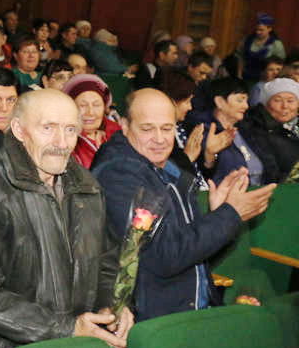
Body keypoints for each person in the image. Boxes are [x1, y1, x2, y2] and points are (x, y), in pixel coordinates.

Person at [0, 89, 131, 348]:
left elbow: (107, 262)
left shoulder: (87, 187)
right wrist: (66, 329)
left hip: (85, 339)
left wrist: (111, 308)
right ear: (19, 130)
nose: (62, 142)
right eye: (48, 128)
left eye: (70, 130)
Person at [92, 89, 276, 321]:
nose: (159, 139)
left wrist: (219, 214)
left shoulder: (168, 168)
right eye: (147, 129)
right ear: (125, 126)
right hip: (156, 320)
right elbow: (165, 257)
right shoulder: (119, 175)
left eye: (167, 128)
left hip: (192, 307)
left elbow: (193, 254)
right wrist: (229, 215)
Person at [190, 77, 279, 186]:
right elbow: (203, 174)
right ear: (220, 102)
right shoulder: (203, 132)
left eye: (246, 100)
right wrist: (210, 156)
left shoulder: (248, 128)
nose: (246, 106)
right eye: (240, 100)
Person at [240, 78, 299, 183]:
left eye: (290, 101)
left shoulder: (294, 127)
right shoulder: (256, 128)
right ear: (266, 104)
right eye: (277, 100)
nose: (285, 106)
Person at [62, 74, 120, 169]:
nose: (90, 112)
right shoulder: (64, 141)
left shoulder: (117, 133)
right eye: (83, 105)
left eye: (96, 105)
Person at [237, 13, 286, 82]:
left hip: (264, 79)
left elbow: (280, 64)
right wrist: (239, 74)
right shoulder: (247, 40)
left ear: (269, 29)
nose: (258, 32)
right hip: (246, 76)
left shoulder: (276, 44)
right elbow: (241, 57)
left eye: (261, 30)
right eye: (257, 29)